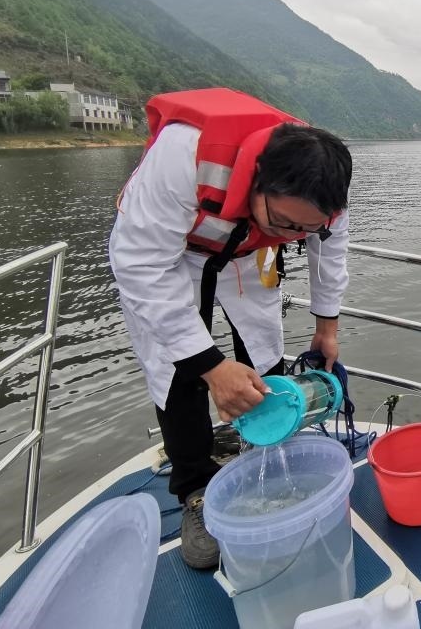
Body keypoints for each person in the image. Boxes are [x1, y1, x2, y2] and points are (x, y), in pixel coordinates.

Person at [109, 87, 352, 569]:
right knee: (177, 371)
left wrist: (327, 326)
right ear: (257, 180)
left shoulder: (326, 188)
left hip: (246, 254)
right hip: (171, 256)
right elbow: (138, 263)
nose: (295, 236)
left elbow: (330, 254)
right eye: (286, 223)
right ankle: (195, 489)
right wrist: (211, 367)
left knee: (264, 355)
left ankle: (267, 456)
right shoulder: (187, 155)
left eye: (307, 229)